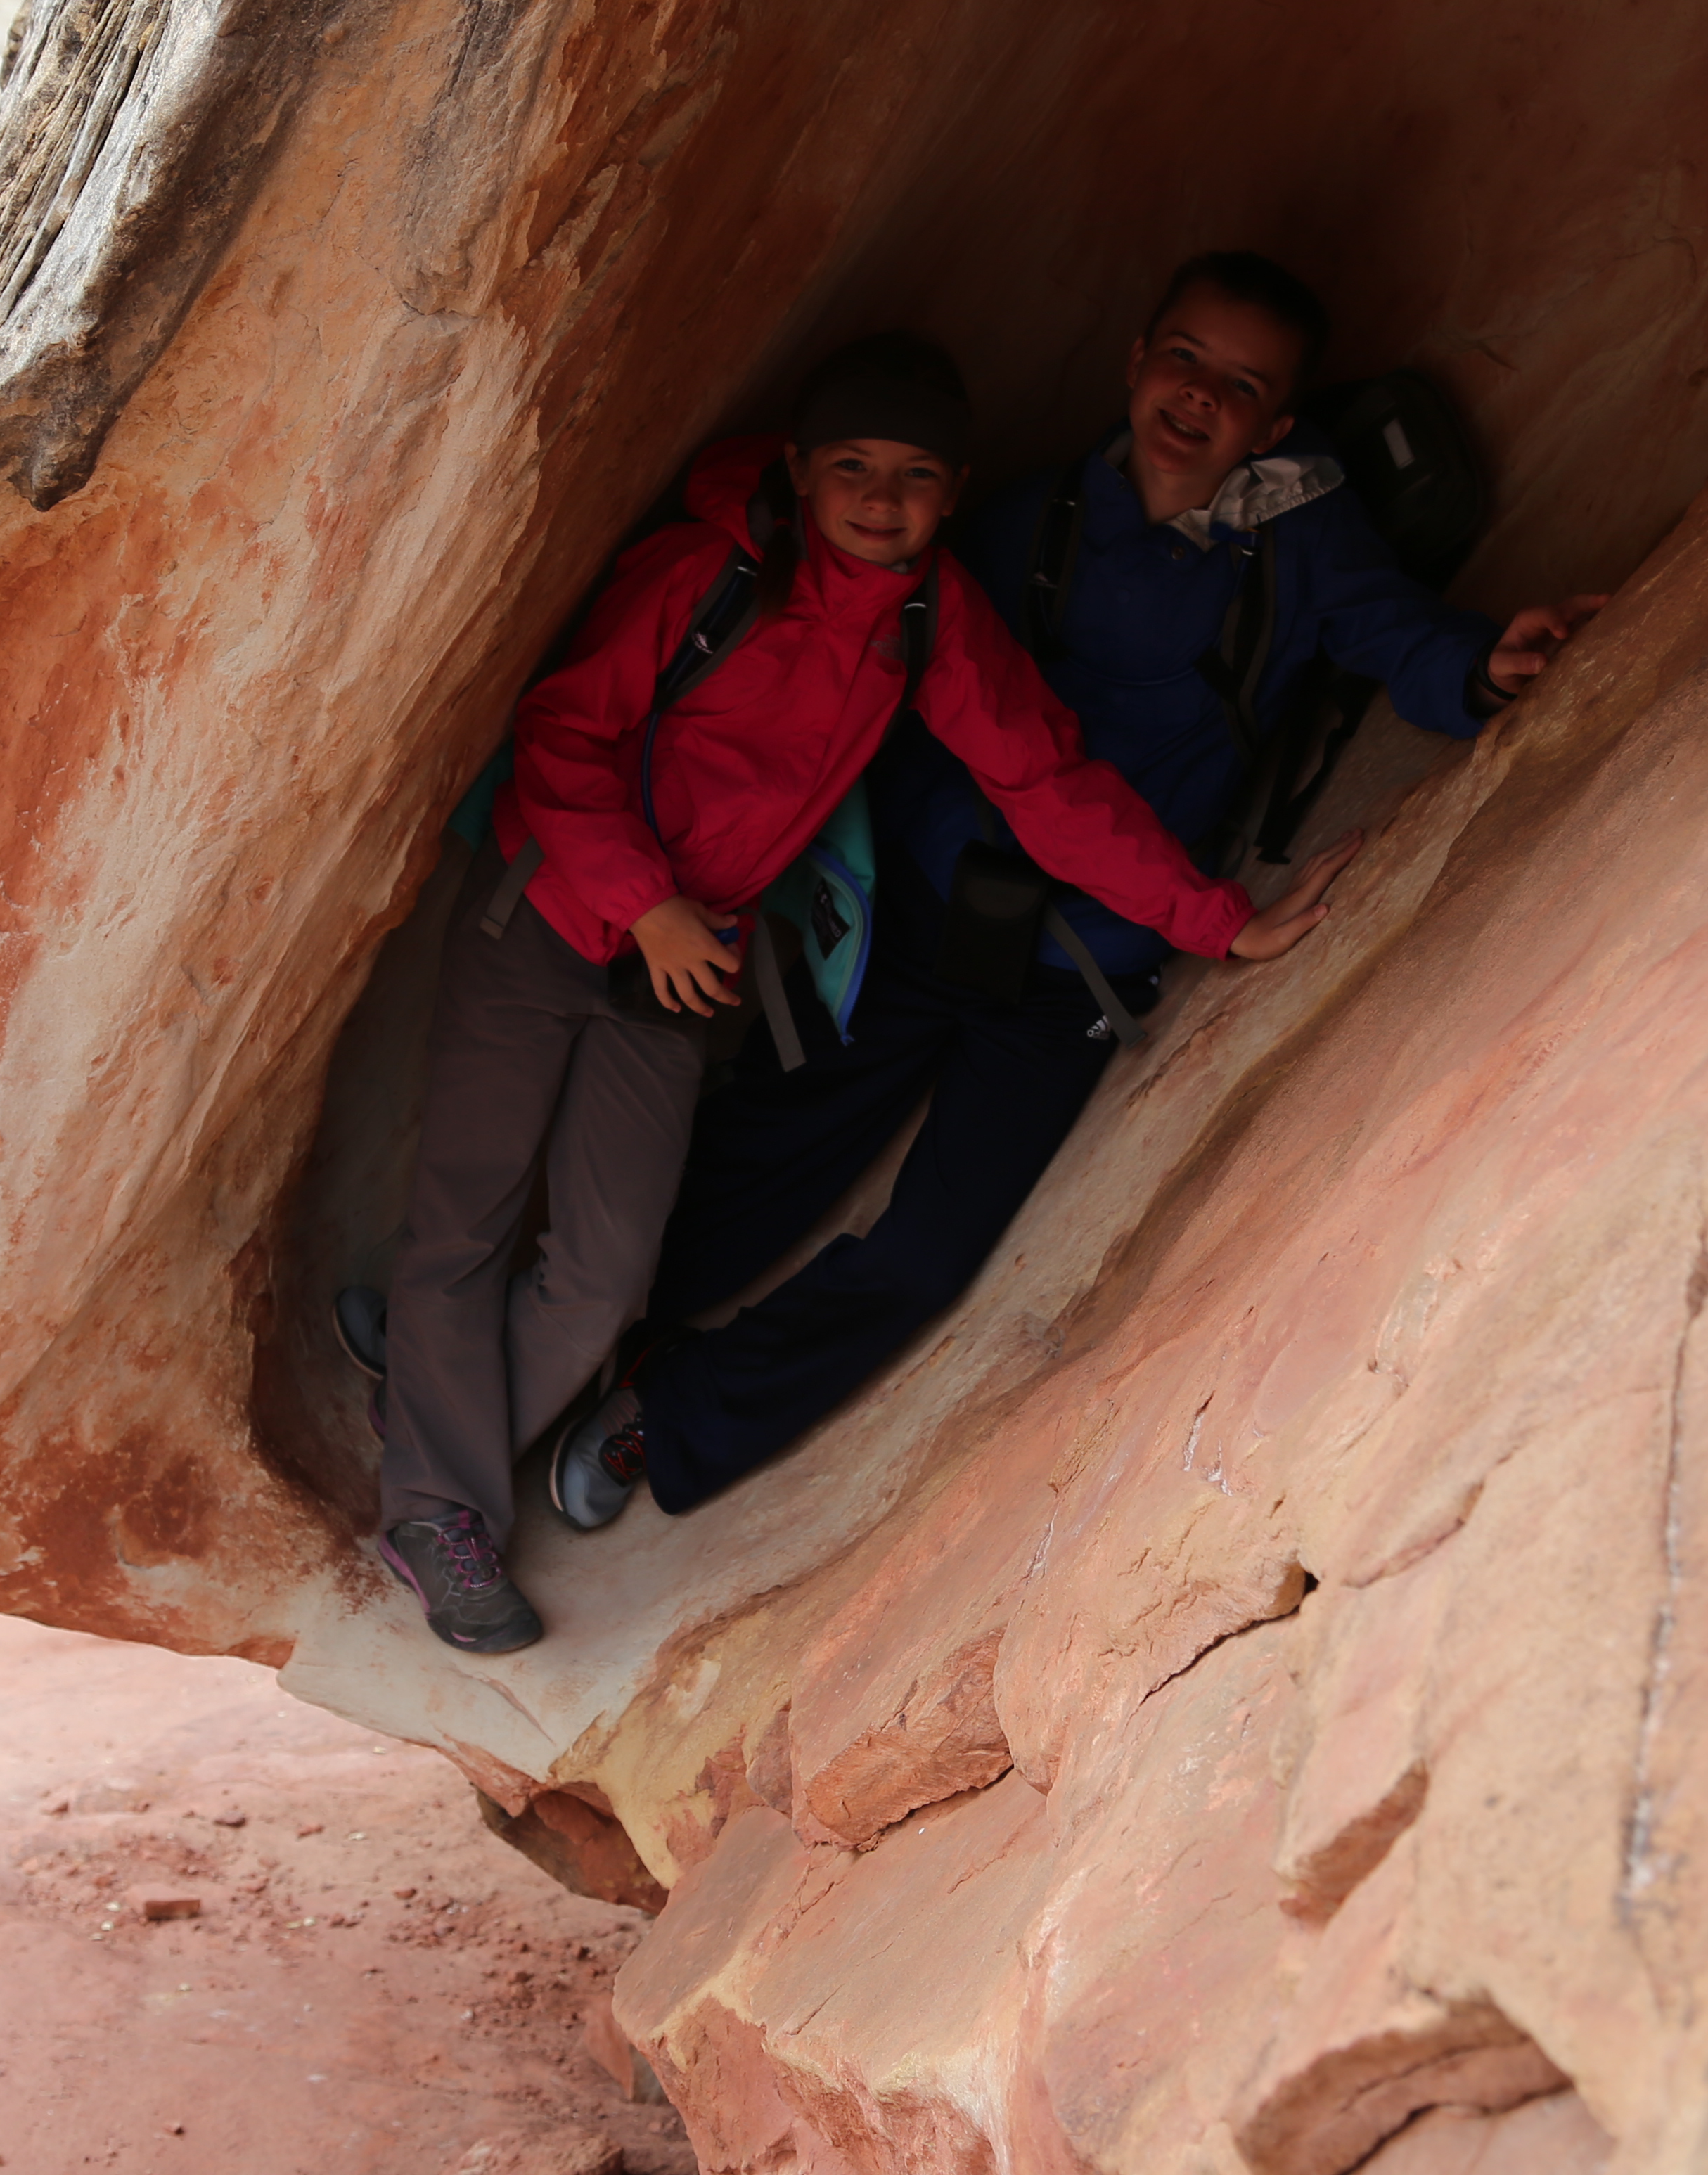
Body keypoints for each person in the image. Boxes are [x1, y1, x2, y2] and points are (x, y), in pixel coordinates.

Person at [548, 254, 1608, 1532]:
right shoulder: (1029, 514)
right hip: (946, 891)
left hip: (1090, 955)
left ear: (1277, 426)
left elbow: (1400, 635)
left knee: (931, 1248)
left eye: (1241, 387)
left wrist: (1486, 666)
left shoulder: (1300, 547)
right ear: (1135, 359)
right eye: (1184, 359)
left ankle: (677, 1410)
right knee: (777, 1129)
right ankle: (561, 1336)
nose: (1198, 397)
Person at [352, 331, 1352, 1654]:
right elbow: (560, 738)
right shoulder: (709, 573)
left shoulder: (931, 617)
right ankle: (438, 1513)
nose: (883, 500)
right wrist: (640, 903)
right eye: (854, 469)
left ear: (958, 488)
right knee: (464, 1227)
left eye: (916, 475)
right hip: (550, 916)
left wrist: (1217, 922)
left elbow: (1046, 784)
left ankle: (431, 1404)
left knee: (605, 1275)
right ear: (802, 472)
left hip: (688, 962)